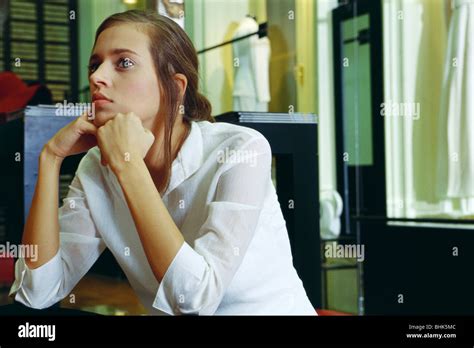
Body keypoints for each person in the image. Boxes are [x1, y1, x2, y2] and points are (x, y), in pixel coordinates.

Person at [9, 10, 316, 316]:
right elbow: (36, 292)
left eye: (124, 63)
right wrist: (50, 159)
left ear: (174, 86)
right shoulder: (97, 167)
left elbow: (195, 301)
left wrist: (129, 167)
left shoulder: (241, 150)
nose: (96, 77)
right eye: (95, 64)